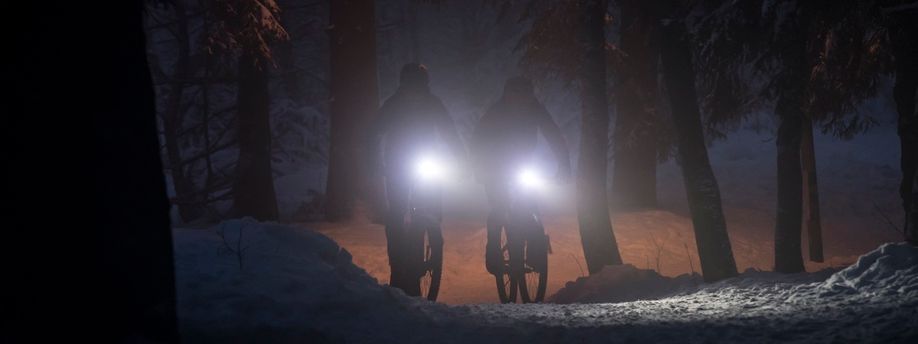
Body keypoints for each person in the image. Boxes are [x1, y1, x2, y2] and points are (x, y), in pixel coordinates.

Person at [367, 63, 466, 295]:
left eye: (419, 85)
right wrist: (374, 161)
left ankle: (429, 235)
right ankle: (397, 265)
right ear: (403, 85)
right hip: (397, 164)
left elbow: (449, 132)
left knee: (430, 208)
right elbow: (374, 133)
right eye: (411, 85)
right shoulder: (393, 105)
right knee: (396, 214)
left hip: (427, 161)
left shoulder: (433, 104)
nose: (415, 90)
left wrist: (461, 160)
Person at [471, 76, 572, 275]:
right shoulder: (495, 112)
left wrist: (564, 164)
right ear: (508, 95)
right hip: (495, 166)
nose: (521, 100)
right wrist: (479, 167)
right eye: (516, 96)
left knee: (530, 208)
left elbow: (554, 134)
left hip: (523, 164)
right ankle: (493, 250)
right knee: (498, 208)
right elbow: (478, 140)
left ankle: (536, 252)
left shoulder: (536, 109)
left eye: (525, 96)